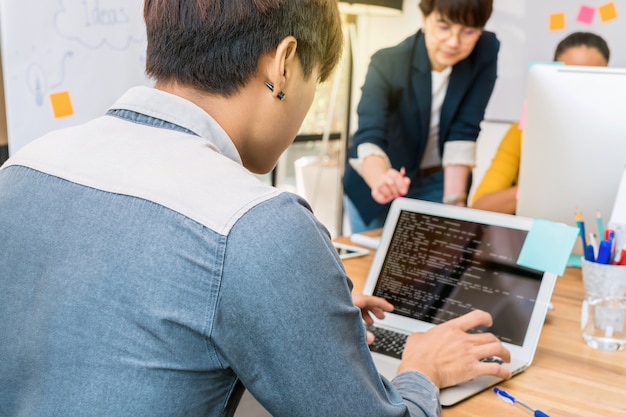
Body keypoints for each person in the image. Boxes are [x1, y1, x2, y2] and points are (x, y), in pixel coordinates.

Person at [0, 1, 511, 416]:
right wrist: (420, 370)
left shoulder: (21, 169)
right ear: (284, 64)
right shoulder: (258, 226)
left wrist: (294, 308)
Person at [342, 0, 499, 233]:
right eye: (444, 27)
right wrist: (381, 179)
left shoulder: (485, 50)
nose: (454, 42)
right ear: (425, 18)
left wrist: (454, 206)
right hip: (381, 177)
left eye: (468, 31)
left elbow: (464, 130)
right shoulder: (387, 62)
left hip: (439, 180)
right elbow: (370, 133)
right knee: (372, 261)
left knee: (439, 259)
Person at [471, 32, 610, 214]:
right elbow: (481, 207)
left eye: (591, 80)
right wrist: (541, 189)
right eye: (569, 77)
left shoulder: (613, 138)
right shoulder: (522, 132)